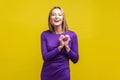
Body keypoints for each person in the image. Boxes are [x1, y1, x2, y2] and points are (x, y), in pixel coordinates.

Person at [40, 6, 79, 80]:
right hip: (47, 74)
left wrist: (66, 46)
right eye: (53, 14)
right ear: (50, 18)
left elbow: (75, 59)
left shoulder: (72, 35)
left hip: (63, 74)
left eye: (59, 15)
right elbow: (45, 57)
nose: (56, 17)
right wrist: (60, 47)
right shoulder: (44, 35)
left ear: (63, 18)